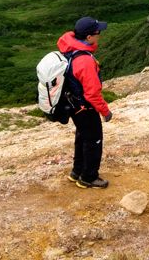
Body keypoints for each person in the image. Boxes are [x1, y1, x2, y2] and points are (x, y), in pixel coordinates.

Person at [58, 16, 113, 188]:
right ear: (89, 37)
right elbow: (92, 93)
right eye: (98, 32)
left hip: (73, 104)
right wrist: (105, 111)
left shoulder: (69, 50)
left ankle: (77, 171)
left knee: (82, 137)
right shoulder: (85, 60)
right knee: (94, 140)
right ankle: (88, 177)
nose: (100, 35)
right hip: (85, 106)